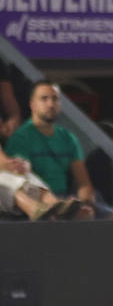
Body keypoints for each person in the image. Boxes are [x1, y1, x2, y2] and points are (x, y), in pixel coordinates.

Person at [6, 81, 96, 215]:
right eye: (44, 99)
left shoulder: (68, 138)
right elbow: (22, 177)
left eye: (55, 99)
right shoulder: (20, 138)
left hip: (66, 199)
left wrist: (85, 203)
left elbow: (84, 183)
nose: (50, 104)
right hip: (38, 200)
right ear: (32, 104)